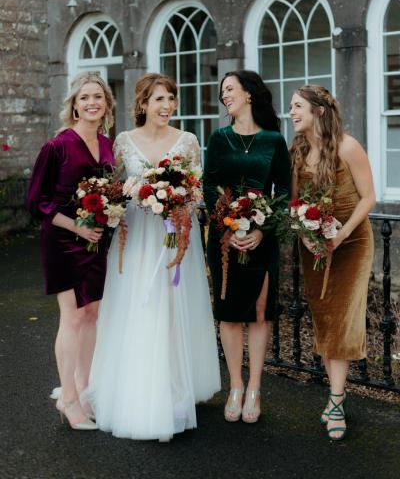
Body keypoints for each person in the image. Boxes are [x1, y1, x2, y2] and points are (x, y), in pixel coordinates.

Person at [85, 73, 220, 441]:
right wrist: (128, 192)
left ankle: (175, 391)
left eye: (171, 99)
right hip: (137, 241)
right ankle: (136, 393)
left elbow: (200, 193)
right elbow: (114, 189)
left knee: (174, 311)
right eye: (159, 99)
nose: (167, 106)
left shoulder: (188, 141)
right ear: (143, 104)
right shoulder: (124, 142)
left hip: (174, 239)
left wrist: (178, 198)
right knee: (138, 310)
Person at [27, 71, 115, 430]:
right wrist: (77, 226)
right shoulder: (58, 145)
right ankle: (67, 396)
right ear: (74, 105)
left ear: (107, 104)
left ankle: (83, 387)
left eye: (98, 97)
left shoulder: (107, 144)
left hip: (96, 238)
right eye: (85, 97)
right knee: (73, 317)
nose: (92, 102)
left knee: (93, 314)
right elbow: (37, 201)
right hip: (63, 239)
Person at [203, 70, 290, 423]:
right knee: (227, 312)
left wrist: (262, 230)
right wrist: (226, 223)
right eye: (222, 91)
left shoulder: (274, 140)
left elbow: (283, 195)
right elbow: (209, 186)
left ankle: (254, 388)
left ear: (249, 94)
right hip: (224, 237)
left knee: (257, 313)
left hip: (261, 238)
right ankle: (235, 386)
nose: (224, 95)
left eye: (230, 89)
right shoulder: (219, 138)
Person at [289, 84, 375, 440]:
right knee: (325, 319)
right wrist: (306, 235)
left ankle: (337, 402)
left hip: (352, 243)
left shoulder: (348, 146)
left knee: (341, 318)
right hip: (314, 247)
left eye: (297, 107)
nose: (291, 113)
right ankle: (334, 395)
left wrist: (340, 235)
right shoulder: (298, 150)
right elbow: (294, 205)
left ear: (318, 111)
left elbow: (368, 198)